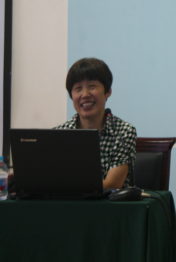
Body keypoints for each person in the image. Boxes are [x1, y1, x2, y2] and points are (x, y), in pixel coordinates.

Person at [55, 58, 136, 189]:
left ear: (108, 91)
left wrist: (65, 187)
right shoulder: (58, 134)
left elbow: (112, 184)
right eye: (78, 88)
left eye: (92, 86)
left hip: (108, 202)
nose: (85, 94)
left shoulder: (123, 132)